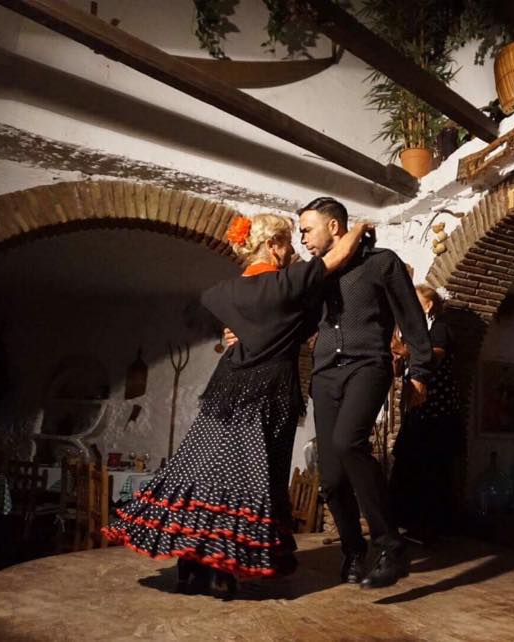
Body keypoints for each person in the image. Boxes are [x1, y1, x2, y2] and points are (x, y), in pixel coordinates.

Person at [103, 213, 370, 597]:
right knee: (251, 477)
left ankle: (192, 561)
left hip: (226, 384)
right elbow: (336, 258)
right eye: (288, 243)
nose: (293, 250)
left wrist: (239, 331)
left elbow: (249, 324)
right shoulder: (288, 282)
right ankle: (221, 568)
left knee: (205, 469)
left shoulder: (228, 292)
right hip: (270, 388)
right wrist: (359, 228)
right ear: (274, 245)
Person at [298, 196, 433, 589]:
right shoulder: (314, 274)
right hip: (324, 375)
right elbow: (292, 318)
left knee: (348, 442)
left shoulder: (382, 262)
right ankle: (354, 551)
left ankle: (391, 544)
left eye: (308, 229)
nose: (303, 238)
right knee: (332, 478)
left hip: (367, 366)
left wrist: (420, 372)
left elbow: (411, 318)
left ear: (334, 227)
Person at [389, 286, 463, 545]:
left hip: (437, 411)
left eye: (415, 301)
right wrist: (397, 359)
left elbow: (435, 357)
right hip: (417, 409)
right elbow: (401, 373)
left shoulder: (440, 328)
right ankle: (408, 523)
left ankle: (430, 528)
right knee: (410, 464)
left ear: (429, 305)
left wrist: (406, 350)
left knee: (431, 468)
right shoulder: (416, 333)